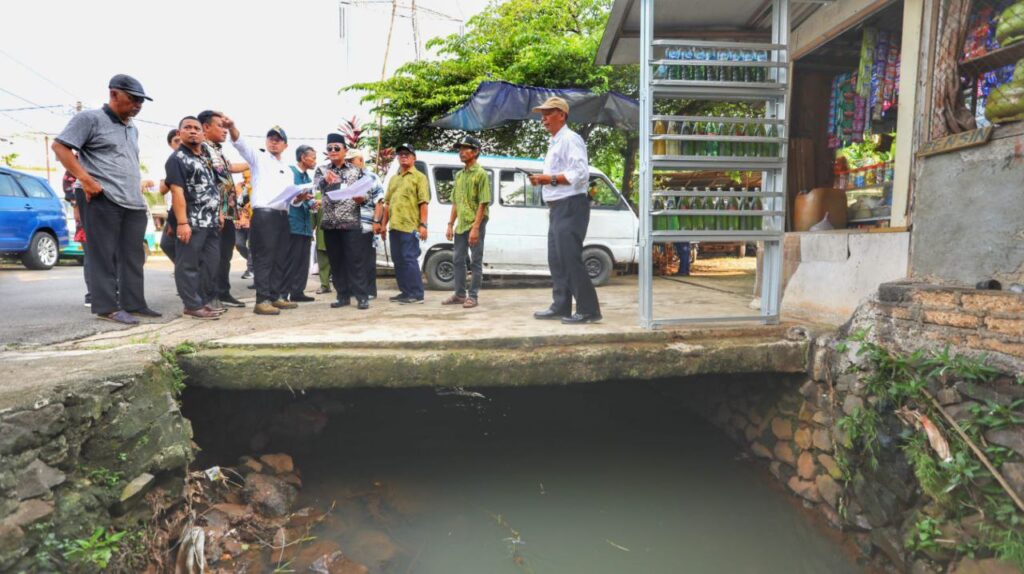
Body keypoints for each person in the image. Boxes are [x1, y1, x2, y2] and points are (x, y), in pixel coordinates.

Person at [52, 74, 161, 325]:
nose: (138, 105)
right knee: (103, 254)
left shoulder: (132, 128)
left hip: (131, 200)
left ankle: (134, 302)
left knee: (133, 255)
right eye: (133, 99)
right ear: (114, 94)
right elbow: (59, 147)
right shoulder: (89, 119)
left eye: (141, 101)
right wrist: (86, 180)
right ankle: (107, 307)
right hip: (102, 197)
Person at [529, 96, 601, 324]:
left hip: (571, 205)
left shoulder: (571, 139)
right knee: (556, 259)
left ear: (562, 114)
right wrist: (545, 180)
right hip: (559, 207)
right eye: (542, 114)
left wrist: (547, 179)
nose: (544, 119)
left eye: (548, 113)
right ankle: (561, 305)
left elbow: (580, 174)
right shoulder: (556, 142)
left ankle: (588, 310)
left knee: (570, 258)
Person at [227, 118, 297, 315]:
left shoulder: (288, 170)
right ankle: (262, 299)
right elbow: (240, 143)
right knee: (264, 258)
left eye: (278, 139)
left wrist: (299, 197)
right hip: (264, 215)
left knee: (280, 258)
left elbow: (293, 200)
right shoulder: (259, 158)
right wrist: (232, 127)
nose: (274, 142)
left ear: (285, 145)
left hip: (282, 215)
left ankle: (276, 296)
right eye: (271, 138)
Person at [165, 116, 223, 320]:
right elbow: (177, 192)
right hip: (192, 222)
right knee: (187, 264)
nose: (192, 131)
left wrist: (220, 213)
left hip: (211, 222)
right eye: (187, 128)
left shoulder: (205, 157)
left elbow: (213, 187)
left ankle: (202, 302)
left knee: (211, 263)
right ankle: (191, 305)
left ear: (203, 133)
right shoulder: (177, 159)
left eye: (196, 128)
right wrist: (182, 222)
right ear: (179, 133)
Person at [314, 134, 371, 310]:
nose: (332, 151)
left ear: (345, 151)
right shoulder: (322, 170)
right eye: (329, 148)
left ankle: (362, 297)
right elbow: (316, 187)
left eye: (336, 148)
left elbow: (367, 194)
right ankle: (342, 296)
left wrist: (362, 198)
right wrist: (326, 180)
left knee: (355, 261)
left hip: (351, 223)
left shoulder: (356, 170)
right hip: (330, 223)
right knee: (336, 261)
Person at [199, 110, 249, 310]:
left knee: (225, 255)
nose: (225, 130)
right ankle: (208, 297)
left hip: (228, 212)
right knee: (212, 256)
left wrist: (257, 161)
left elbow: (229, 168)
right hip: (213, 212)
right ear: (206, 127)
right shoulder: (202, 149)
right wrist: (217, 210)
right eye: (220, 126)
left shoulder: (217, 149)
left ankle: (223, 292)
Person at [377, 143, 429, 304]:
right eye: (400, 154)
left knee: (409, 259)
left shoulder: (420, 178)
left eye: (407, 154)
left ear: (414, 158)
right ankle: (405, 292)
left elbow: (424, 203)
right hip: (394, 227)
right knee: (398, 260)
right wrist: (384, 225)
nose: (403, 156)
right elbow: (387, 204)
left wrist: (423, 225)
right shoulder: (394, 179)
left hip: (410, 227)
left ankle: (417, 294)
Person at [443, 135, 490, 309]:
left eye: (465, 149)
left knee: (476, 261)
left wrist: (476, 228)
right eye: (460, 149)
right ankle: (460, 294)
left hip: (476, 222)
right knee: (457, 259)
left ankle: (473, 296)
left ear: (476, 151)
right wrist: (450, 224)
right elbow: (456, 201)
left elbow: (483, 203)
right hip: (461, 224)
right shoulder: (460, 175)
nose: (461, 152)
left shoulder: (481, 174)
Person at [345, 148, 383, 299]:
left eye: (351, 161)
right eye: (346, 161)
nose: (348, 164)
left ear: (360, 161)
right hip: (349, 225)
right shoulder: (346, 178)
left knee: (367, 259)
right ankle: (355, 290)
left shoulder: (372, 177)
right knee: (352, 259)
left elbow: (379, 201)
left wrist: (376, 222)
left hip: (366, 224)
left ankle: (369, 291)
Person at [286, 145, 318, 302]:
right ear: (303, 158)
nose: (315, 161)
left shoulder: (307, 178)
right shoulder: (290, 173)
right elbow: (289, 199)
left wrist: (313, 204)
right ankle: (284, 293)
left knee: (303, 260)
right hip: (293, 223)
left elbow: (307, 199)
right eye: (313, 157)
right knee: (291, 259)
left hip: (305, 225)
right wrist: (300, 198)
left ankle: (298, 292)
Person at [159, 129, 182, 264]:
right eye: (176, 141)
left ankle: (187, 271)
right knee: (167, 244)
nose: (179, 143)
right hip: (174, 211)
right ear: (170, 144)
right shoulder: (172, 161)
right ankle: (184, 269)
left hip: (188, 211)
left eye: (181, 140)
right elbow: (163, 189)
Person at [234, 172, 254, 281]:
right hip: (239, 222)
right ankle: (253, 263)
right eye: (243, 176)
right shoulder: (239, 187)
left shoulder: (257, 186)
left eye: (247, 176)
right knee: (239, 244)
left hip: (252, 222)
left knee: (252, 247)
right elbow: (235, 204)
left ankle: (250, 269)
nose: (245, 178)